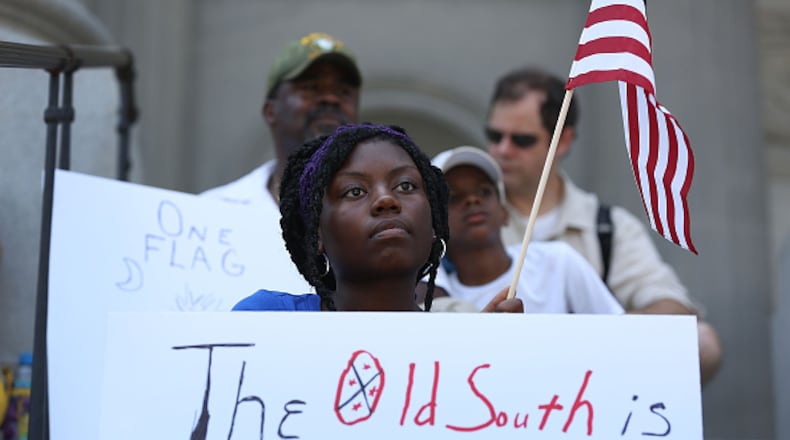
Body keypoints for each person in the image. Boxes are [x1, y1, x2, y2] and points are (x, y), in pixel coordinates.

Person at [484, 66, 722, 383]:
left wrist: (576, 334)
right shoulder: (463, 217)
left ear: (563, 141)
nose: (503, 150)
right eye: (495, 136)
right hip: (492, 375)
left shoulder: (609, 227)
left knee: (703, 342)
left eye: (522, 140)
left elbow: (676, 312)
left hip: (588, 383)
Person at [233, 123, 523, 313]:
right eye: (355, 191)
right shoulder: (265, 318)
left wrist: (486, 353)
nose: (386, 200)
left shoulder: (462, 345)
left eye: (406, 186)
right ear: (317, 233)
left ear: (434, 223)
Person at [201, 32, 362, 293]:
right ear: (270, 111)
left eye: (343, 92)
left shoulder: (383, 212)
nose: (331, 99)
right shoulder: (208, 212)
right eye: (311, 88)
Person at [428, 145, 624, 314]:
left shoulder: (558, 261)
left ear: (504, 213)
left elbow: (617, 332)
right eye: (453, 197)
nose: (473, 200)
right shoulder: (437, 299)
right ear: (436, 225)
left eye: (484, 191)